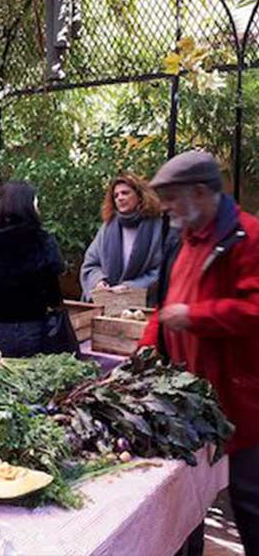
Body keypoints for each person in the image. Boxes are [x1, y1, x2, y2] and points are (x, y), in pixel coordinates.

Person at [139, 149, 259, 556]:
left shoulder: (247, 237)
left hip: (242, 402)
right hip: (190, 403)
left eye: (173, 197)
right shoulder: (183, 240)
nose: (167, 207)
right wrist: (139, 358)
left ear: (202, 193)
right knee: (187, 502)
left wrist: (197, 316)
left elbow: (255, 310)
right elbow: (164, 310)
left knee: (250, 501)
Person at [0, 181, 74, 358]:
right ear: (27, 206)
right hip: (34, 324)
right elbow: (53, 292)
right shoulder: (42, 240)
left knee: (6, 377)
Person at [80, 173, 163, 303]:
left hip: (143, 308)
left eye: (125, 193)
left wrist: (130, 287)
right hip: (106, 305)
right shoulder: (107, 228)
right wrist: (98, 282)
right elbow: (91, 264)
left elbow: (162, 269)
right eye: (116, 195)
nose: (120, 198)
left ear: (140, 196)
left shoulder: (158, 228)